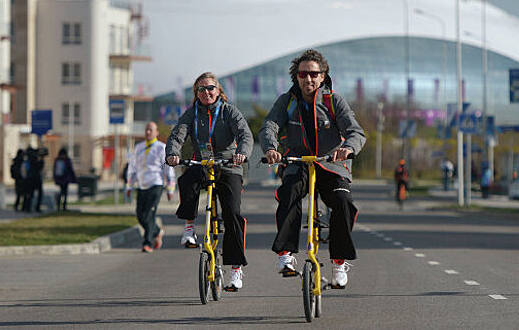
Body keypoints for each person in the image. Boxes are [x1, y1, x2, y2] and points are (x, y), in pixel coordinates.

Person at [259, 49, 366, 288]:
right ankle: (286, 255)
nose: (308, 78)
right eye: (303, 74)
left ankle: (339, 262)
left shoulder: (333, 101)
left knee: (343, 204)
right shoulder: (286, 101)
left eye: (313, 74)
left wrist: (348, 148)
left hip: (331, 165)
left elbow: (355, 132)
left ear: (323, 76)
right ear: (296, 77)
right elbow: (269, 126)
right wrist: (270, 148)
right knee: (288, 193)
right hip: (298, 163)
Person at [166, 71, 253, 292]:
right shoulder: (191, 113)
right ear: (196, 93)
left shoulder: (229, 111)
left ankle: (236, 269)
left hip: (228, 165)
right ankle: (188, 228)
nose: (206, 92)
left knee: (232, 213)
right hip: (203, 163)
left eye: (210, 88)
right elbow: (177, 135)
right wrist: (173, 153)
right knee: (187, 179)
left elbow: (245, 135)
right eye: (201, 89)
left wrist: (242, 153)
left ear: (218, 90)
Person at [126, 122, 176, 253]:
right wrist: (129, 186)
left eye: (151, 130)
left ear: (156, 132)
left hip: (156, 184)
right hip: (142, 185)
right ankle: (157, 231)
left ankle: (147, 243)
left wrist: (170, 189)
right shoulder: (138, 148)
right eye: (146, 130)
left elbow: (168, 170)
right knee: (140, 215)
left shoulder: (161, 148)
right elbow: (132, 168)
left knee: (149, 213)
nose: (148, 132)